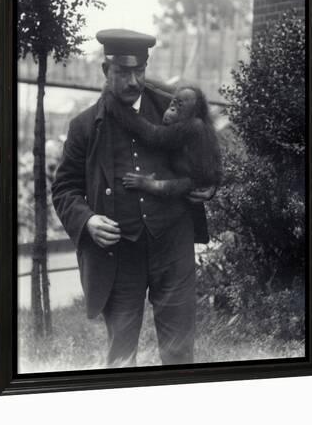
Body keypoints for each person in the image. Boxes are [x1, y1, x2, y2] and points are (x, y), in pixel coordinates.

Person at [51, 29, 214, 367]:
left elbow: (208, 153)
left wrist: (209, 184)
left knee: (179, 350)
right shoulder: (84, 126)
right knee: (122, 353)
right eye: (123, 73)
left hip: (172, 244)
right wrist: (88, 220)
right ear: (105, 71)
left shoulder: (174, 105)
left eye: (139, 71)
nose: (133, 81)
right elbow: (64, 187)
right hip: (119, 254)